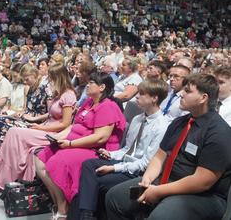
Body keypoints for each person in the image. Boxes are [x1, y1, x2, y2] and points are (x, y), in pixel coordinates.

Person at [106, 73, 231, 220]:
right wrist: (148, 177)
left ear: (203, 98)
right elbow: (159, 157)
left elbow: (202, 182)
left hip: (202, 195)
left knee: (160, 216)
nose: (181, 94)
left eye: (188, 91)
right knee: (114, 198)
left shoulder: (219, 132)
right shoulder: (179, 123)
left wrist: (159, 191)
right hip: (167, 180)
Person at [35, 73, 126, 220]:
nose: (87, 85)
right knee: (39, 158)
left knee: (57, 161)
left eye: (91, 82)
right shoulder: (89, 102)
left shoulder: (108, 106)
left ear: (102, 87)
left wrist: (70, 144)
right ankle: (58, 201)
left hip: (96, 150)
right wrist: (58, 138)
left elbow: (100, 138)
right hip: (75, 143)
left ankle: (64, 207)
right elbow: (73, 126)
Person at [76, 79, 169, 220]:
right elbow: (127, 149)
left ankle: (85, 216)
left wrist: (114, 168)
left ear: (154, 98)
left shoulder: (162, 126)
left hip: (137, 172)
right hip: (125, 162)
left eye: (142, 94)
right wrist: (111, 153)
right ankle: (86, 215)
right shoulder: (138, 119)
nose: (136, 96)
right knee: (88, 164)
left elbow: (145, 163)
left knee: (92, 185)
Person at [0, 64, 76, 188]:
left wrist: (40, 127)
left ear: (59, 77)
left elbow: (65, 124)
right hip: (46, 127)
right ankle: (0, 172)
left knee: (14, 132)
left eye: (51, 77)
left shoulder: (68, 95)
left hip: (54, 133)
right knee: (12, 132)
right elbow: (50, 114)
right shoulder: (58, 93)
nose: (49, 80)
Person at [0, 64, 49, 169]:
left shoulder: (46, 88)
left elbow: (49, 113)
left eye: (27, 79)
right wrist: (19, 113)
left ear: (34, 75)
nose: (25, 82)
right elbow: (26, 108)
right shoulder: (31, 87)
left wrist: (34, 118)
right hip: (25, 117)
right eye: (24, 80)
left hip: (35, 122)